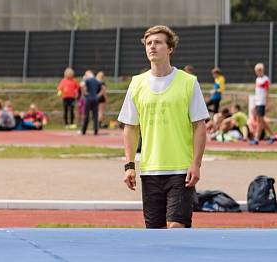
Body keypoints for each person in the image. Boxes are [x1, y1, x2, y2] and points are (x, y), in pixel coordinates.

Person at [118, 25, 209, 229]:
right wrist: (129, 165)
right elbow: (130, 128)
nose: (152, 47)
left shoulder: (188, 82)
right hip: (150, 170)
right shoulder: (137, 83)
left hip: (181, 170)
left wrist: (196, 164)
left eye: (158, 42)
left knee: (176, 228)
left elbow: (199, 126)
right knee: (155, 235)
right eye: (149, 43)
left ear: (170, 48)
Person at [250, 63, 273, 145]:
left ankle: (256, 138)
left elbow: (267, 92)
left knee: (260, 121)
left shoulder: (265, 79)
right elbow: (257, 93)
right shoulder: (257, 79)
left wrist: (267, 103)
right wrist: (255, 104)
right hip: (258, 102)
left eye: (257, 71)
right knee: (261, 121)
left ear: (260, 70)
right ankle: (273, 136)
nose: (256, 72)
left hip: (262, 103)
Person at [81, 71, 103, 136]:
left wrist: (84, 92)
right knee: (95, 115)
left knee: (86, 115)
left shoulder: (88, 80)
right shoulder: (96, 80)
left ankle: (84, 130)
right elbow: (102, 88)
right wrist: (98, 95)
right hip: (95, 99)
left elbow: (82, 85)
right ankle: (96, 131)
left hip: (88, 99)